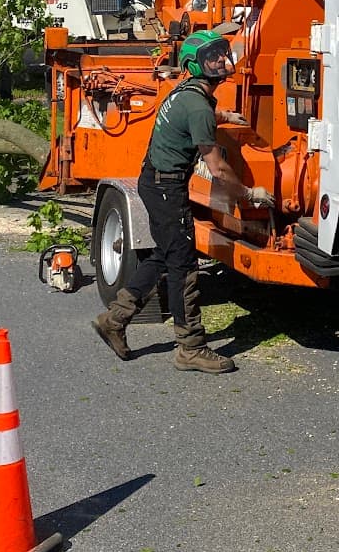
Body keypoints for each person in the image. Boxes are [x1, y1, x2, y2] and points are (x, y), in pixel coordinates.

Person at [92, 30, 243, 373]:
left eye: (222, 53)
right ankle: (190, 346)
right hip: (167, 188)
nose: (221, 60)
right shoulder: (198, 103)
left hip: (155, 182)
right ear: (196, 64)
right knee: (184, 264)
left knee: (164, 253)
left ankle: (114, 320)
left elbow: (193, 118)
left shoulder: (190, 95)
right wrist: (248, 194)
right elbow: (217, 169)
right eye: (212, 57)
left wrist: (225, 117)